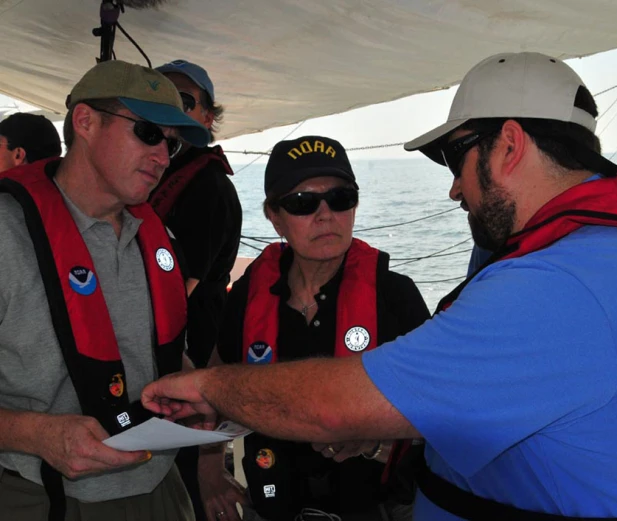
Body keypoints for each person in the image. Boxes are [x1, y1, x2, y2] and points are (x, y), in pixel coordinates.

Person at [142, 52, 617, 521]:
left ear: (508, 145)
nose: (455, 189)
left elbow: (332, 410)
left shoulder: (556, 286)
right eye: (302, 203)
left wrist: (209, 386)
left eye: (456, 159)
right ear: (274, 215)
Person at [0, 59, 210, 521]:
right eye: (150, 133)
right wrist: (36, 434)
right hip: (42, 497)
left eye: (171, 146)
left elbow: (155, 352)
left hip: (161, 486)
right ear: (86, 121)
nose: (161, 156)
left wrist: (193, 387)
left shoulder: (156, 236)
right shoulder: (6, 233)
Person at [198, 135, 430, 521]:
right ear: (274, 216)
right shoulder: (247, 295)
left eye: (340, 198)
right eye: (303, 203)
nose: (325, 215)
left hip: (377, 507)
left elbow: (440, 414)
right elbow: (214, 384)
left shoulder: (395, 295)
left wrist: (373, 440)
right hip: (274, 503)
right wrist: (208, 472)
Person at [151, 59, 242, 521]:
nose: (171, 106)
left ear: (207, 117)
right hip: (159, 352)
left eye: (184, 100)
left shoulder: (207, 187)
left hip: (191, 346)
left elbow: (173, 295)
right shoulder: (153, 173)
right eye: (159, 93)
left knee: (182, 480)